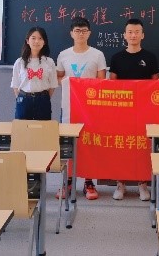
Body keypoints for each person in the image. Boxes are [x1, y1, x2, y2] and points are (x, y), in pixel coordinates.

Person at [56, 17, 107, 200]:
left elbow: (102, 81)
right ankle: (68, 181)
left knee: (89, 142)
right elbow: (59, 78)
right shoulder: (63, 55)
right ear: (71, 33)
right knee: (68, 144)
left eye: (84, 31)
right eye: (77, 31)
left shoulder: (97, 55)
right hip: (69, 106)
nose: (80, 34)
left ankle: (88, 182)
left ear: (89, 33)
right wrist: (72, 83)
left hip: (91, 108)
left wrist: (85, 87)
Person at [109, 18, 159, 201]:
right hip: (122, 111)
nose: (133, 35)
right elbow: (111, 85)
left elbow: (156, 84)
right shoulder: (116, 58)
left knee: (142, 146)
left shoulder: (150, 57)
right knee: (122, 146)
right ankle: (120, 184)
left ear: (142, 35)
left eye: (137, 32)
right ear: (124, 35)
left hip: (145, 110)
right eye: (130, 32)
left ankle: (142, 184)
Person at [10, 26, 58, 120]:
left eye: (40, 38)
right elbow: (15, 85)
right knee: (22, 127)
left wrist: (42, 97)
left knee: (43, 127)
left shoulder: (49, 62)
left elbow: (52, 85)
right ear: (27, 41)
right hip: (24, 100)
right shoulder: (20, 62)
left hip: (43, 100)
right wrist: (23, 98)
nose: (37, 41)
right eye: (33, 38)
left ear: (44, 42)